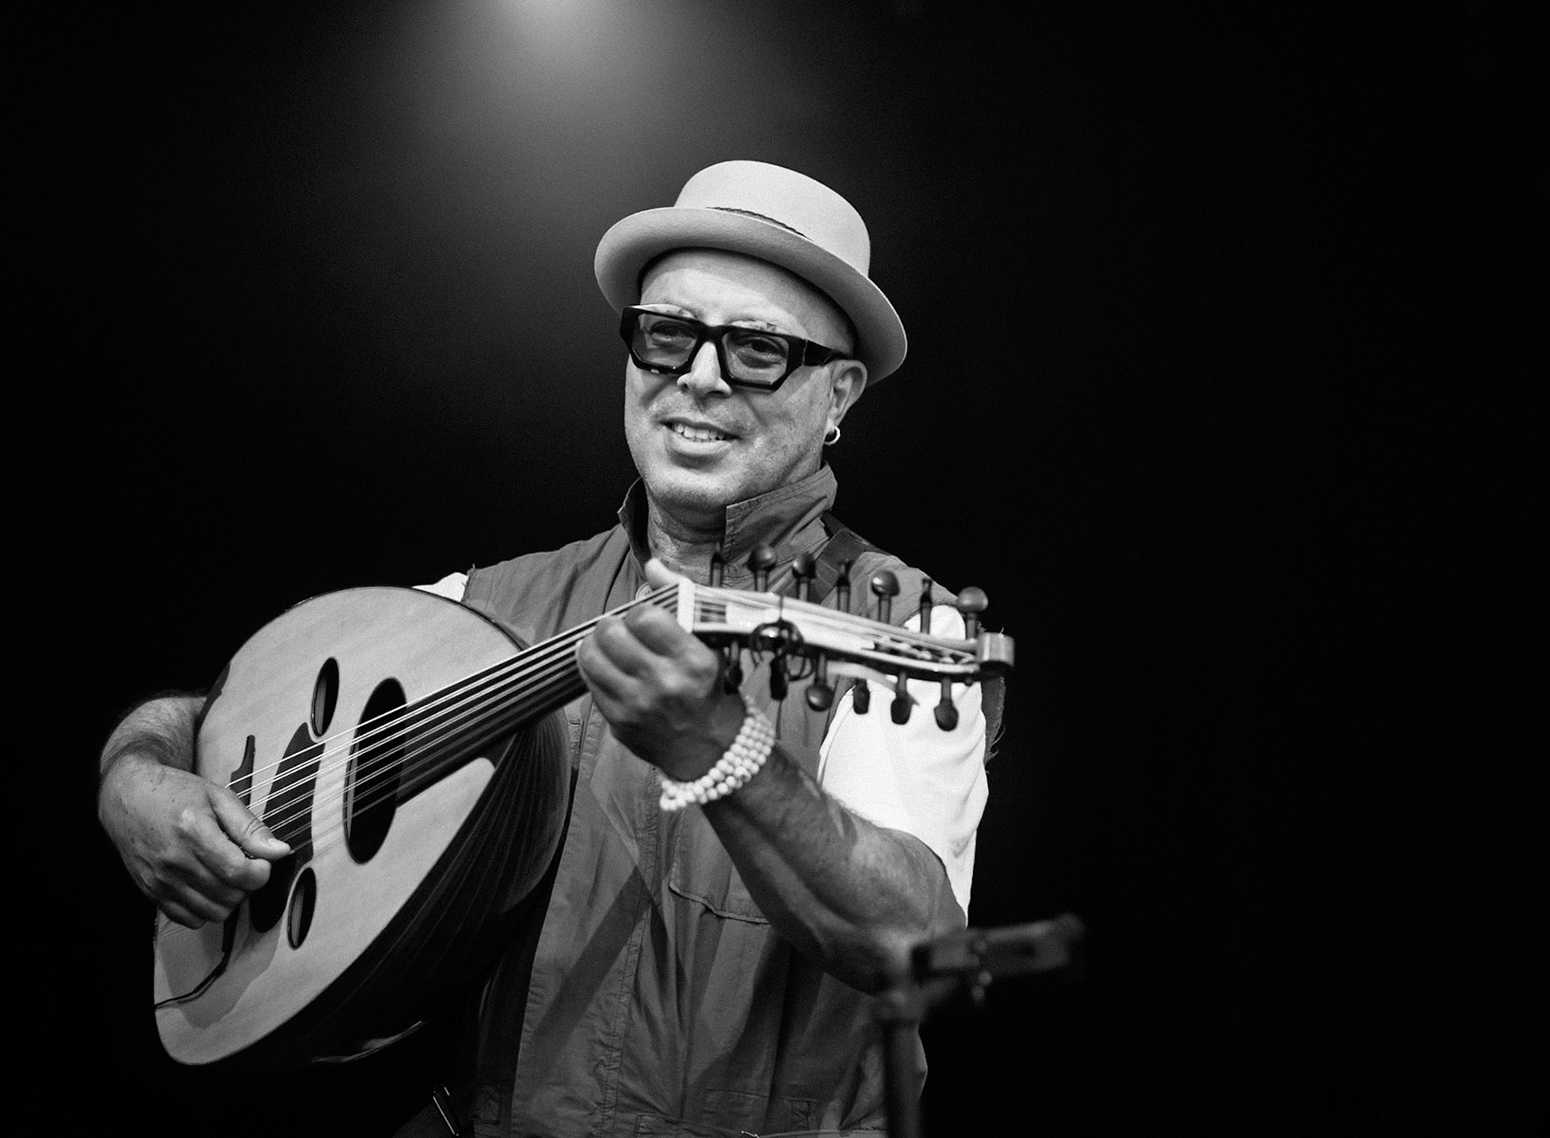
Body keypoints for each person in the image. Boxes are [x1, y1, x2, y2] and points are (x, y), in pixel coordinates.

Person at [96, 160, 1003, 1137]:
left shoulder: (904, 628)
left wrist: (727, 752)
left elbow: (914, 947)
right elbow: (215, 713)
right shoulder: (490, 607)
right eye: (668, 335)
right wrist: (133, 776)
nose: (699, 376)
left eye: (757, 348)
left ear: (839, 393)